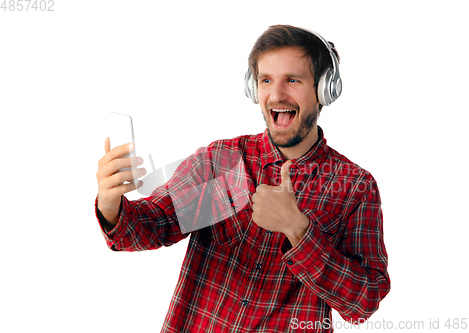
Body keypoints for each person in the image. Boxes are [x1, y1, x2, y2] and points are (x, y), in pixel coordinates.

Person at [95, 25, 390, 332]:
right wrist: (110, 203)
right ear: (253, 88)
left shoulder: (355, 186)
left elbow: (363, 303)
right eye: (266, 80)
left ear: (324, 90)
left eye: (293, 79)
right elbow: (154, 225)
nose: (276, 94)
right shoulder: (221, 160)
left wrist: (297, 229)